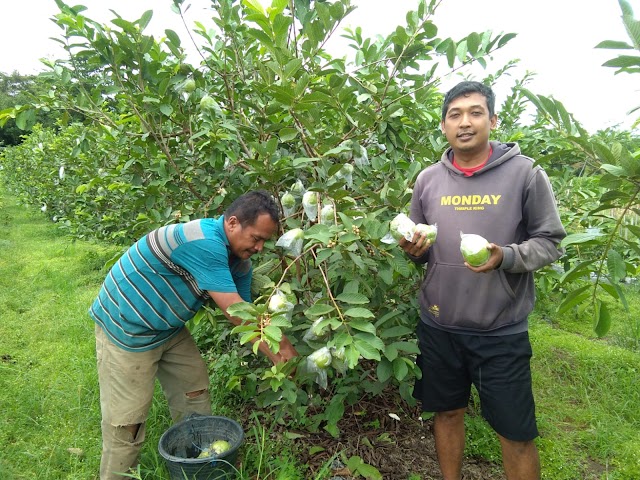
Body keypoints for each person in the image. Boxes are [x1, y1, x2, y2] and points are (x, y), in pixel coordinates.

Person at [399, 81, 566, 480]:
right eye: (454, 115)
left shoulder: (524, 174)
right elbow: (418, 244)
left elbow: (550, 242)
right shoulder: (427, 180)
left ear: (493, 120)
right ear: (443, 126)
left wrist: (505, 257)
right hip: (439, 324)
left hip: (501, 328)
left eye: (475, 113)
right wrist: (414, 250)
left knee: (516, 432)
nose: (465, 122)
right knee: (447, 412)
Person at [89, 190, 298, 479]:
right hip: (126, 328)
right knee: (127, 423)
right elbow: (236, 312)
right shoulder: (205, 244)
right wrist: (283, 355)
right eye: (256, 238)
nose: (260, 247)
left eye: (265, 240)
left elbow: (248, 314)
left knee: (194, 390)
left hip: (167, 328)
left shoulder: (239, 261)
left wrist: (277, 351)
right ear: (233, 223)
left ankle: (193, 463)